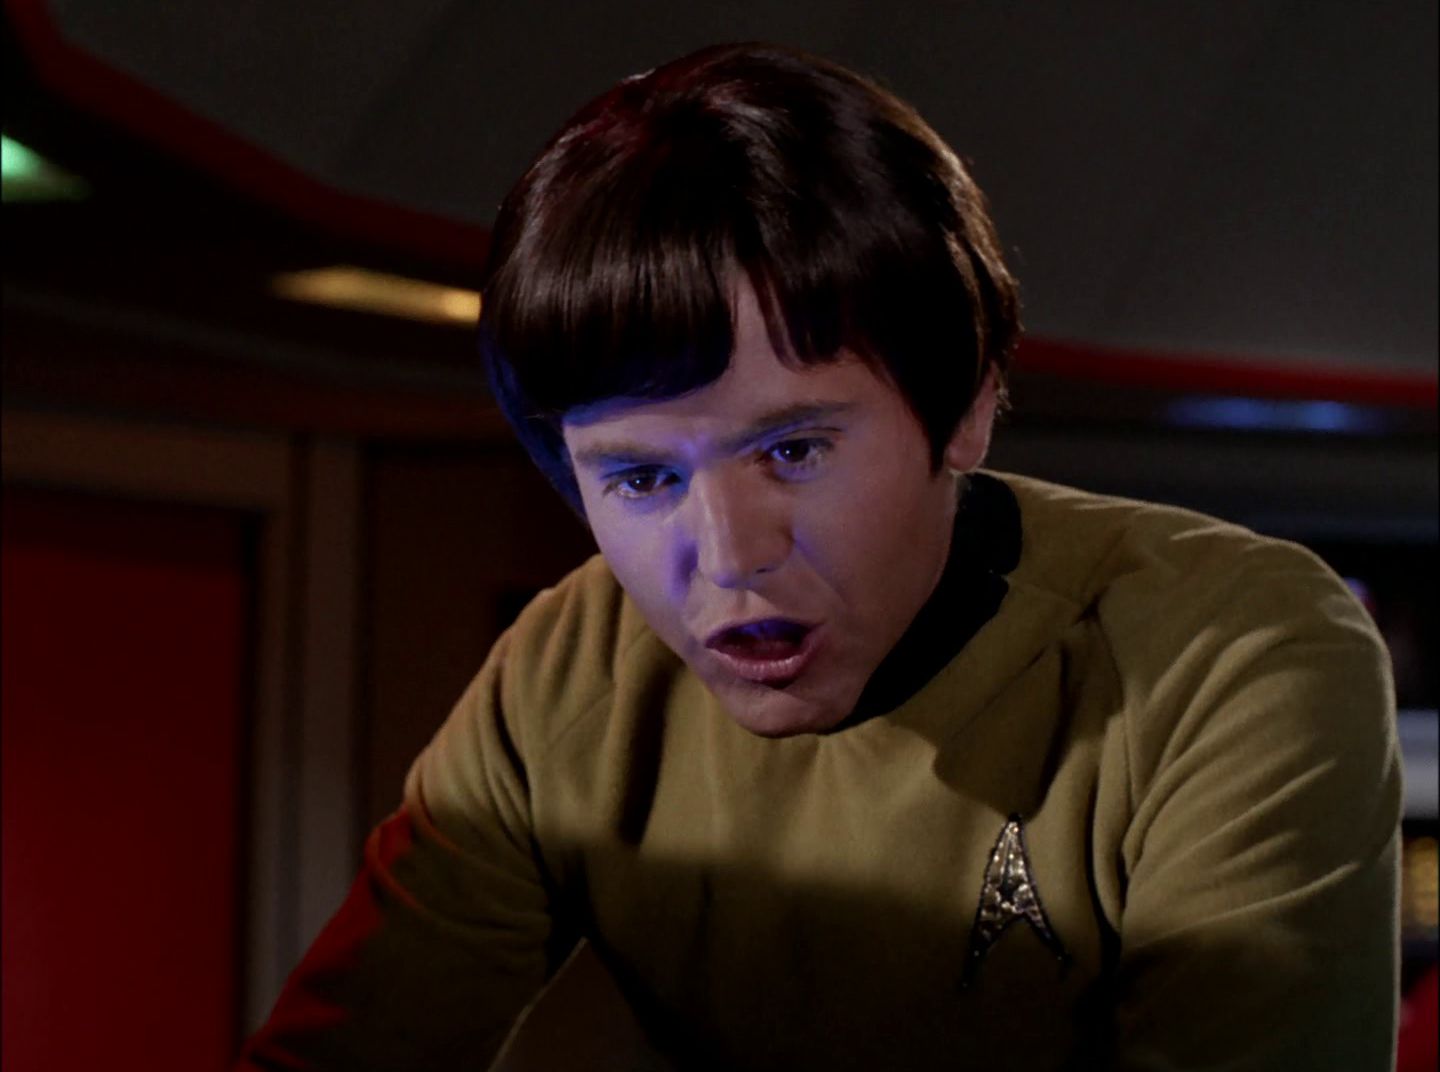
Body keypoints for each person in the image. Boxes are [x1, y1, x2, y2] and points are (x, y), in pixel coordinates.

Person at [239, 42, 1401, 1070]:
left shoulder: (1237, 650)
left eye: (793, 450)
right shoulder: (565, 674)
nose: (729, 556)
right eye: (641, 478)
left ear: (967, 405)